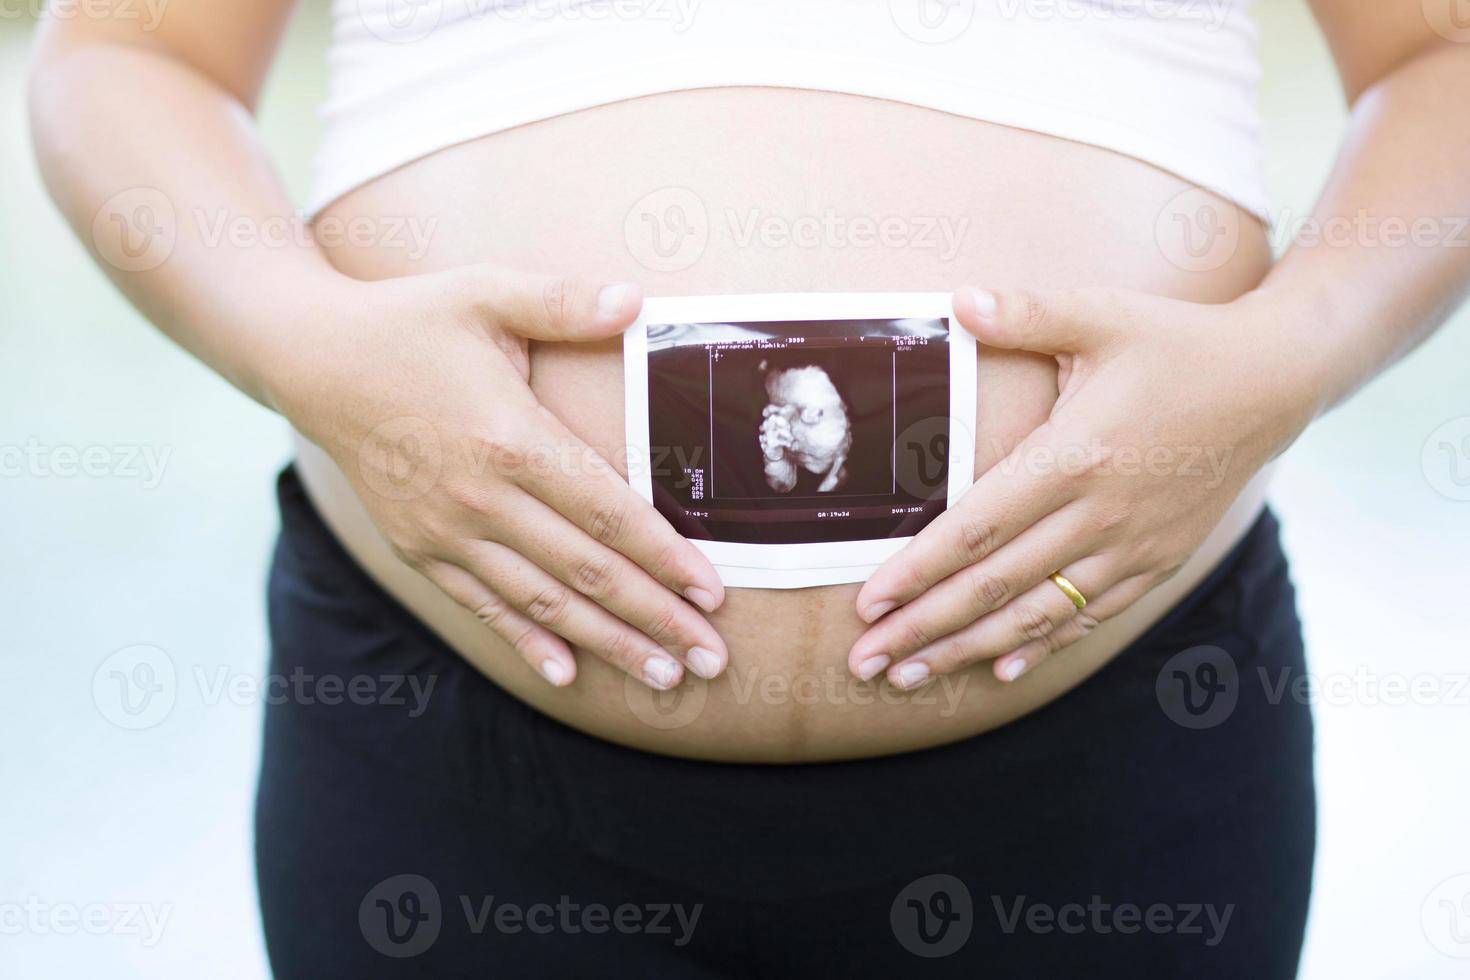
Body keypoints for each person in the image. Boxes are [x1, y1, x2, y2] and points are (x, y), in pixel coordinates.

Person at [29, 1, 1470, 975]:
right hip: (456, 730)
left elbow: (1439, 55)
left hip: (1115, 729)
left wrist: (1287, 355)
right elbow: (128, 54)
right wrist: (305, 343)